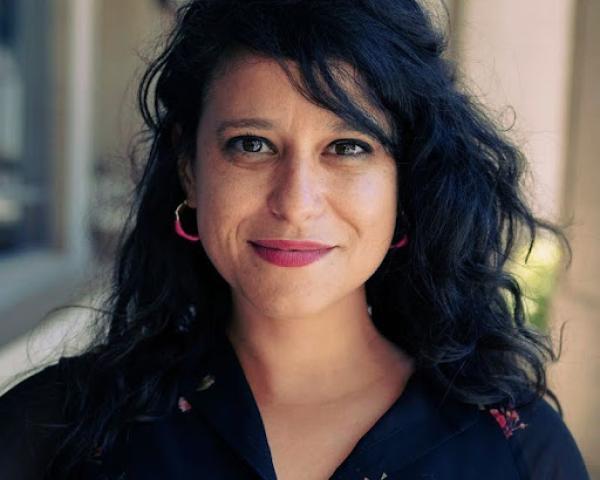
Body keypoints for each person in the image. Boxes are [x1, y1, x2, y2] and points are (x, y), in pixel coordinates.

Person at [0, 0, 590, 478]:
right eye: (252, 144)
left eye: (348, 147)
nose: (295, 203)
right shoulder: (55, 432)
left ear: (405, 181)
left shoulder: (517, 450)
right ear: (189, 167)